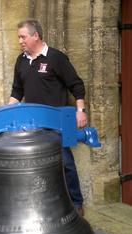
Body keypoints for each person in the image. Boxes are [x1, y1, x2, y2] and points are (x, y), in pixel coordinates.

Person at [9, 18, 87, 216]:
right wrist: (7, 115)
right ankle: (45, 204)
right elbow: (17, 91)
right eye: (19, 37)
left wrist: (80, 111)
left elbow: (76, 85)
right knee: (36, 164)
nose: (20, 41)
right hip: (31, 123)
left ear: (36, 36)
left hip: (56, 122)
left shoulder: (56, 58)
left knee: (66, 163)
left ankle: (76, 203)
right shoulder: (21, 60)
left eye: (23, 37)